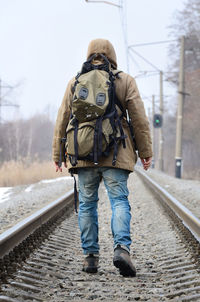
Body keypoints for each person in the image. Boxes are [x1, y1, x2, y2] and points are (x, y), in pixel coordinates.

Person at [52, 39, 152, 277]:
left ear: (89, 55)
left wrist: (58, 154)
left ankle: (90, 258)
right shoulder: (124, 80)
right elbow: (139, 119)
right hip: (115, 153)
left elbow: (62, 119)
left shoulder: (75, 81)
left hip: (83, 154)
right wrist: (145, 152)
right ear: (113, 55)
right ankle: (121, 250)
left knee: (87, 204)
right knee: (119, 200)